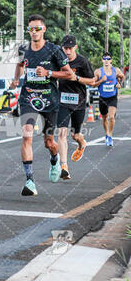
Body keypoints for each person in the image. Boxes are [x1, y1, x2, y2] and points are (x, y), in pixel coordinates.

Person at [10, 14, 73, 196]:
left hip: (50, 100)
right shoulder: (23, 49)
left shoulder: (54, 50)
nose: (34, 32)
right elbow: (20, 64)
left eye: (38, 28)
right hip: (28, 97)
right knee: (26, 135)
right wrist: (16, 79)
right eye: (31, 29)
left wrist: (48, 72)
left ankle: (54, 159)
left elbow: (68, 74)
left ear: (44, 29)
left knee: (49, 142)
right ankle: (29, 181)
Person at [57, 35, 95, 179]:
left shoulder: (82, 61)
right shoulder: (59, 60)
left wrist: (77, 78)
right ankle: (64, 167)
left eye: (70, 48)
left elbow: (92, 81)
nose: (67, 51)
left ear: (75, 48)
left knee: (75, 135)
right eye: (65, 48)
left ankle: (82, 144)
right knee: (61, 133)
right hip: (62, 102)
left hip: (79, 103)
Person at [94, 52, 124, 146]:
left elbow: (122, 77)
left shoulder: (116, 70)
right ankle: (106, 134)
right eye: (104, 58)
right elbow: (93, 84)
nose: (106, 60)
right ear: (102, 60)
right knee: (104, 118)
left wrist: (119, 83)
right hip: (102, 98)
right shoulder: (98, 71)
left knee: (111, 117)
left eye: (108, 59)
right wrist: (101, 81)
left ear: (111, 60)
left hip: (113, 97)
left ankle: (110, 136)